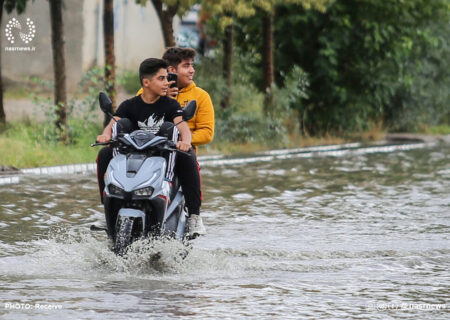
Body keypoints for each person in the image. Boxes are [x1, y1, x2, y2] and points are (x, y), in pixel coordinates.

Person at [96, 58, 205, 237]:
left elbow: (182, 126)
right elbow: (113, 124)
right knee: (104, 153)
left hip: (163, 155)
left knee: (188, 156)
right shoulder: (129, 105)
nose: (167, 83)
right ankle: (108, 206)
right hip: (135, 157)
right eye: (161, 79)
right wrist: (105, 135)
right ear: (146, 82)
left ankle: (194, 215)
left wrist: (185, 141)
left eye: (167, 78)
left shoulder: (170, 105)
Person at [137, 47, 214, 235]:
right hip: (148, 150)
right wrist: (162, 100)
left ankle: (194, 216)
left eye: (192, 66)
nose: (192, 70)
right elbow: (136, 122)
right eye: (186, 66)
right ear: (171, 70)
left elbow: (207, 133)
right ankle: (114, 207)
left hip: (179, 151)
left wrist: (181, 141)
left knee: (188, 157)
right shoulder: (148, 91)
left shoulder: (201, 96)